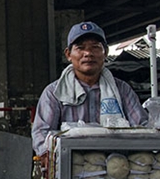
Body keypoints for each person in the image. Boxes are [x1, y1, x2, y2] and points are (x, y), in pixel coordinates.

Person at [31, 21, 148, 155]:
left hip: (115, 166)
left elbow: (141, 129)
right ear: (68, 54)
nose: (88, 53)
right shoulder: (54, 92)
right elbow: (41, 135)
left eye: (95, 47)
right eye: (80, 48)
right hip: (69, 167)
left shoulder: (122, 90)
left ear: (105, 53)